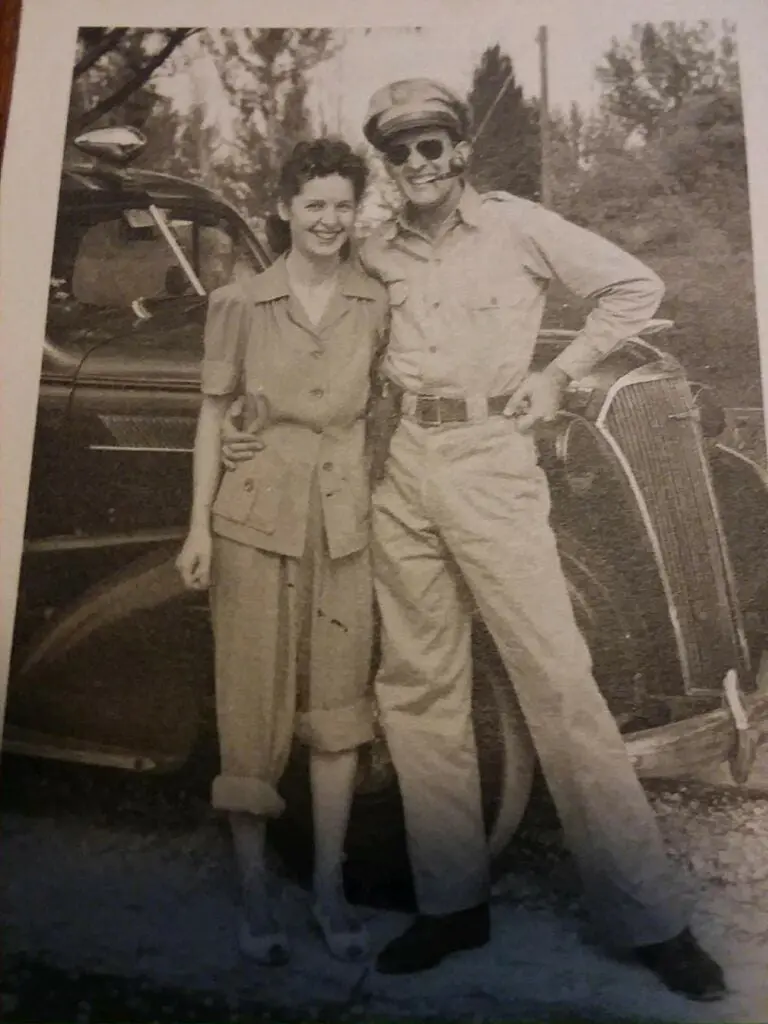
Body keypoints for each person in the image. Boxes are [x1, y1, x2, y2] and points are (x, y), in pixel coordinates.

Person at [352, 78, 726, 1000]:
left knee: (559, 682)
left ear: (461, 152)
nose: (416, 165)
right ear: (385, 166)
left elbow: (636, 287)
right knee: (418, 689)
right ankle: (450, 904)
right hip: (403, 465)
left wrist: (560, 375)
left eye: (431, 146)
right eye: (397, 152)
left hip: (491, 460)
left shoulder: (516, 227)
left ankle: (651, 921)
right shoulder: (373, 243)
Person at [176, 137, 388, 967]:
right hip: (252, 517)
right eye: (314, 205)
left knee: (337, 713)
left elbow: (382, 413)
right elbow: (210, 415)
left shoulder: (376, 302)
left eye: (343, 205)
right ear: (285, 209)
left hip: (342, 524)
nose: (329, 220)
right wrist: (198, 524)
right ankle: (256, 889)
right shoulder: (239, 302)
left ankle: (328, 886)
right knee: (251, 708)